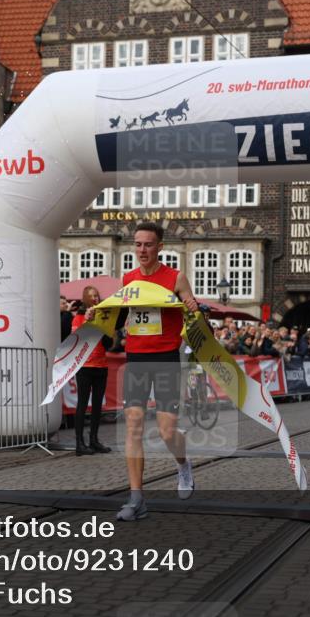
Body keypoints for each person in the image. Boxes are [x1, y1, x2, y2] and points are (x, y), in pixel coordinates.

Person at [86, 222, 198, 521]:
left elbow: (194, 316)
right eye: (137, 244)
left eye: (148, 244)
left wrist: (192, 306)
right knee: (133, 423)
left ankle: (183, 465)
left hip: (165, 359)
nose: (142, 250)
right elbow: (119, 316)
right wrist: (95, 315)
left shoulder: (175, 278)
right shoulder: (129, 279)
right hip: (135, 358)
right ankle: (136, 499)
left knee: (166, 431)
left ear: (160, 247)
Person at [71, 285, 112, 456]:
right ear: (85, 298)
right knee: (82, 404)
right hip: (85, 367)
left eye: (96, 295)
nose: (95, 298)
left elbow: (109, 344)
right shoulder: (79, 317)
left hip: (101, 366)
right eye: (91, 296)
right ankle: (79, 443)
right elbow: (77, 340)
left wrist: (107, 331)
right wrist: (89, 322)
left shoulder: (102, 317)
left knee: (97, 405)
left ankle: (94, 440)